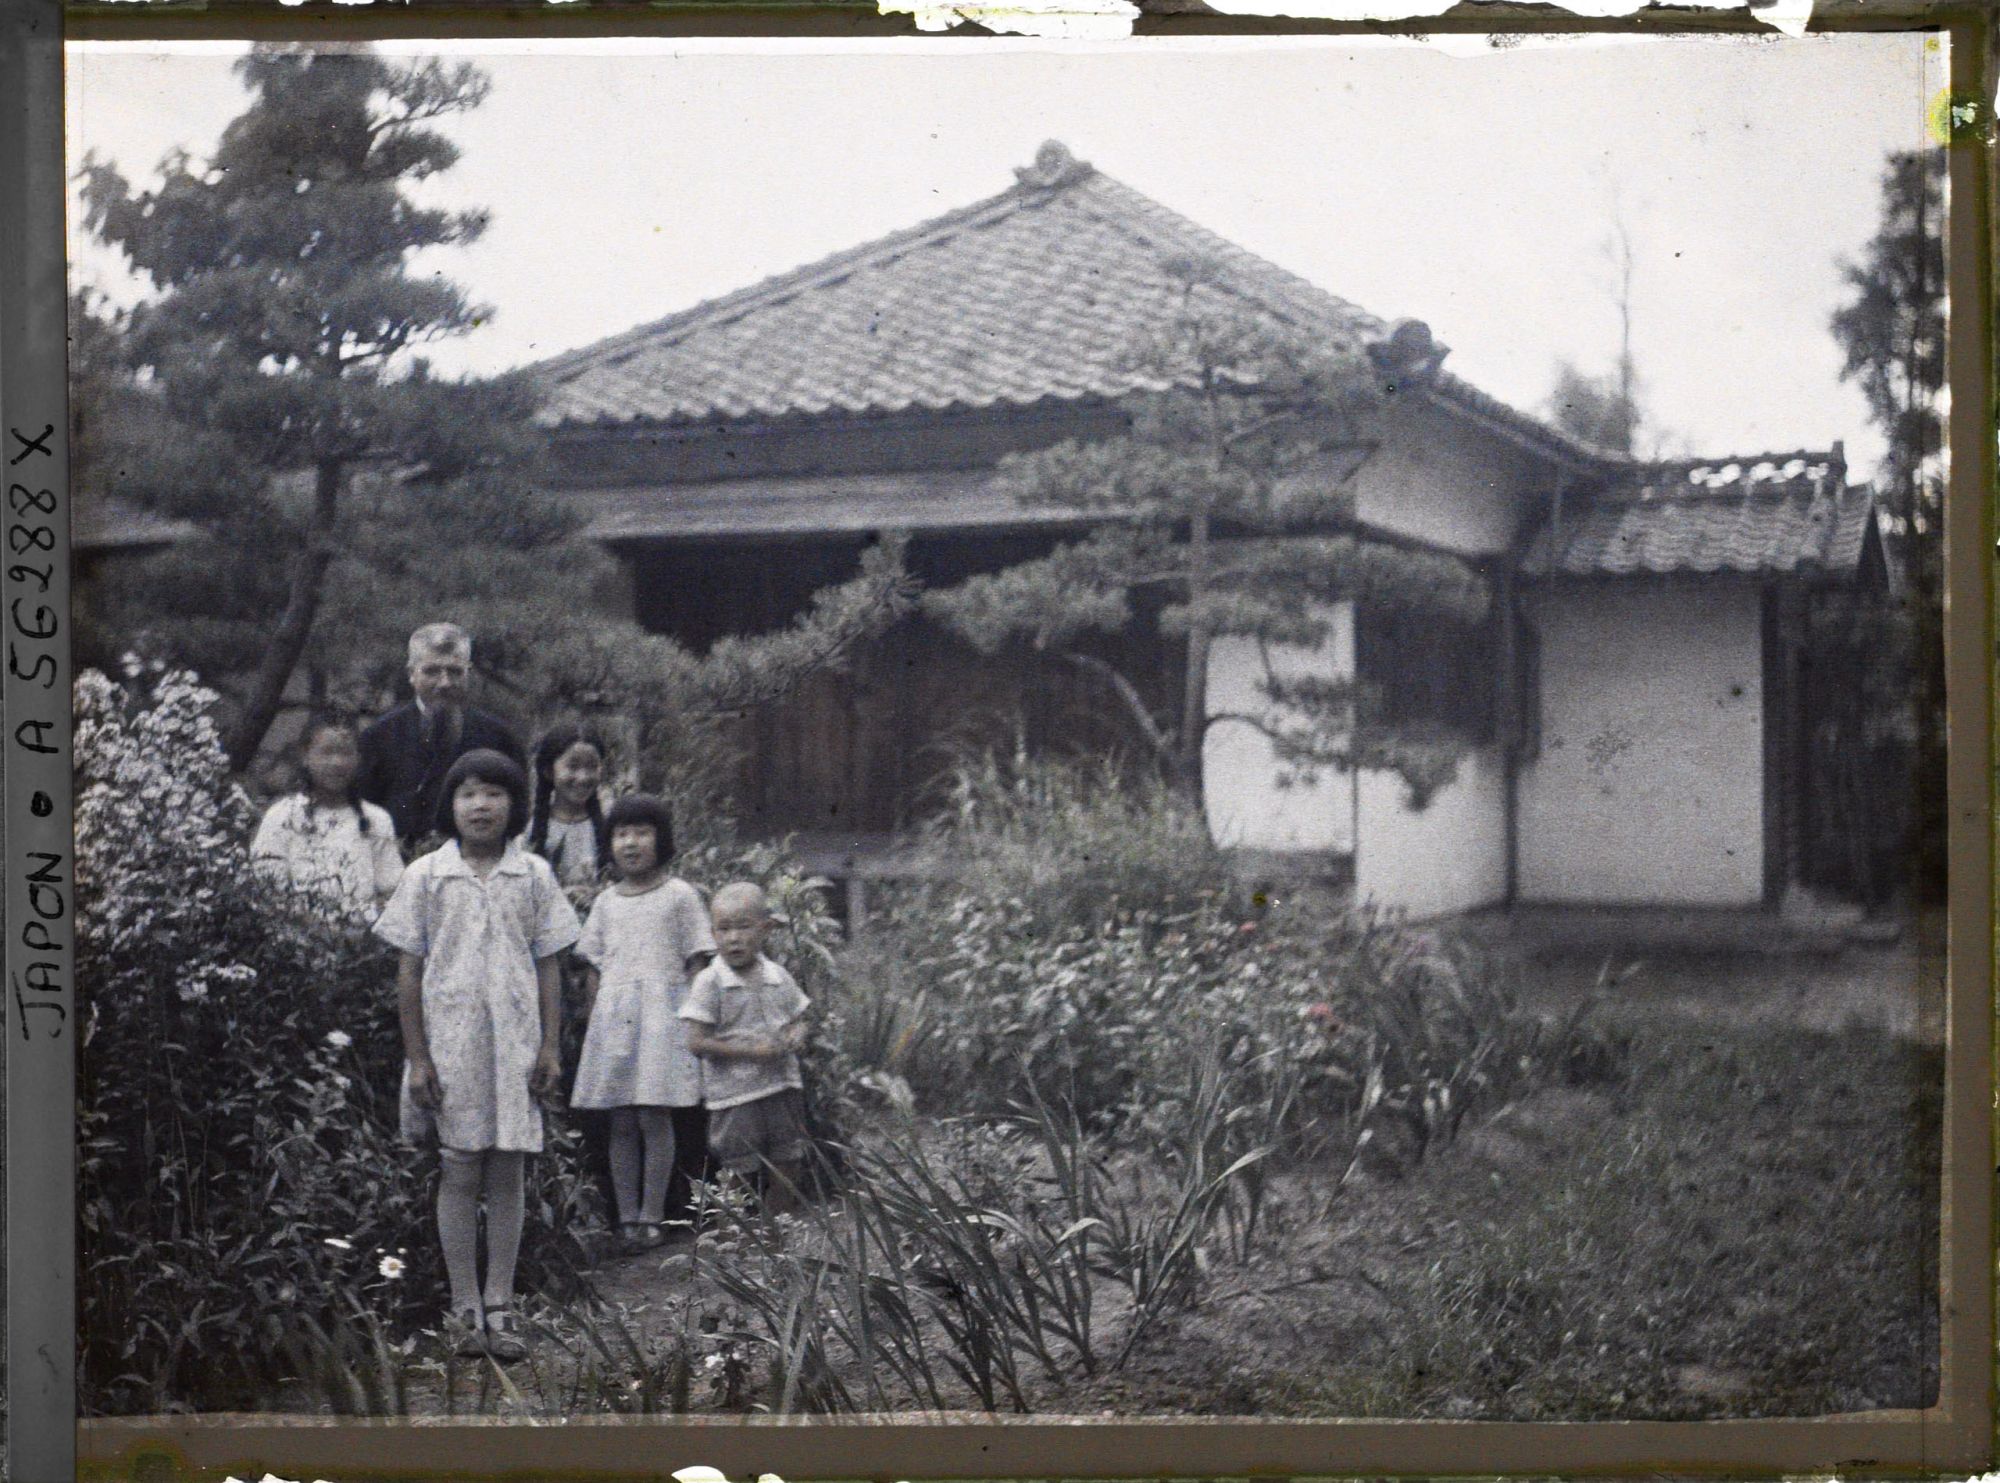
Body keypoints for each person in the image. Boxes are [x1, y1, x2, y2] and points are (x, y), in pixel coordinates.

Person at [373, 749, 581, 1362]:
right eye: (467, 794)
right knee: (460, 1169)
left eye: (494, 793)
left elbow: (550, 969)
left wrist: (550, 1046)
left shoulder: (534, 875)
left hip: (516, 1046)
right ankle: (465, 1308)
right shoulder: (427, 875)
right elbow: (408, 973)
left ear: (514, 804)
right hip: (453, 1044)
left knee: (508, 1171)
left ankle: (501, 1304)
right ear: (451, 804)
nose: (481, 805)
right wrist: (419, 1058)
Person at [570, 795, 716, 1253]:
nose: (630, 843)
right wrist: (594, 1022)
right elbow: (594, 967)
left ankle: (654, 1214)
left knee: (655, 1116)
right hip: (616, 1024)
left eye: (642, 832)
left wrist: (696, 1023)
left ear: (662, 839)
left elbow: (698, 964)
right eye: (620, 834)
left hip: (662, 1022)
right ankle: (625, 1215)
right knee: (621, 1122)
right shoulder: (607, 903)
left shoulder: (680, 896)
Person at [680, 881, 812, 1215]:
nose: (734, 938)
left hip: (782, 1087)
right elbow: (696, 1042)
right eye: (724, 930)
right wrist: (752, 1053)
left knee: (788, 1164)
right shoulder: (710, 982)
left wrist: (796, 1035)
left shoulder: (777, 976)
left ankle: (776, 1247)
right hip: (735, 1096)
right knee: (738, 1175)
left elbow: (801, 1018)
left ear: (765, 929)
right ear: (713, 934)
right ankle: (735, 1253)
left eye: (744, 927)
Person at [359, 623, 524, 849]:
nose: (444, 682)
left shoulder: (499, 737)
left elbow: (517, 813)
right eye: (432, 671)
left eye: (455, 672)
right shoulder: (377, 737)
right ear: (411, 674)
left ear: (468, 673)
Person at [249, 719, 404, 921]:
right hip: (295, 937)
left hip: (361, 940)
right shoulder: (282, 816)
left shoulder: (376, 819)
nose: (337, 762)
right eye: (327, 752)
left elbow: (392, 889)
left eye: (346, 753)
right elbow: (267, 888)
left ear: (358, 759)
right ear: (305, 756)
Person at [526, 726, 611, 889]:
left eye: (592, 767)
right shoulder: (532, 830)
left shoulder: (612, 826)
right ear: (549, 771)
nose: (583, 777)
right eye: (573, 767)